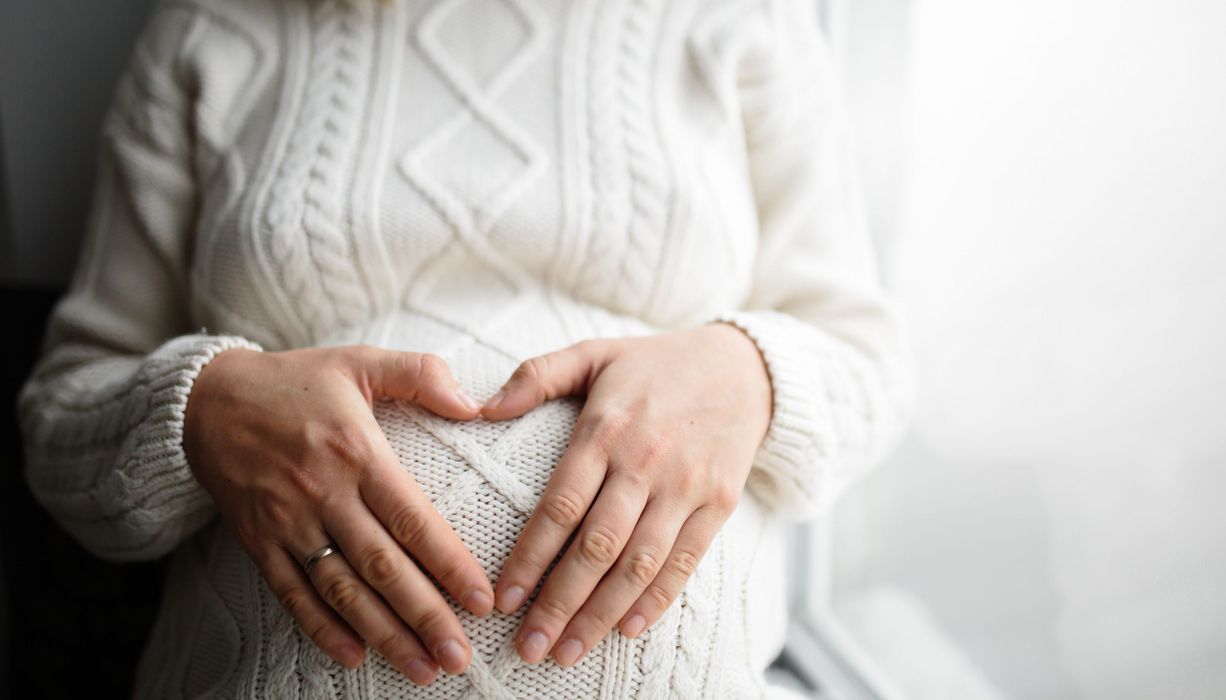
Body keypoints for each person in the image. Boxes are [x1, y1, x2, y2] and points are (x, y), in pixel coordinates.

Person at [17, 0, 912, 696]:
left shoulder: (742, 18)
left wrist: (748, 375)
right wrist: (205, 409)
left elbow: (866, 364)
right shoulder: (213, 31)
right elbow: (63, 417)